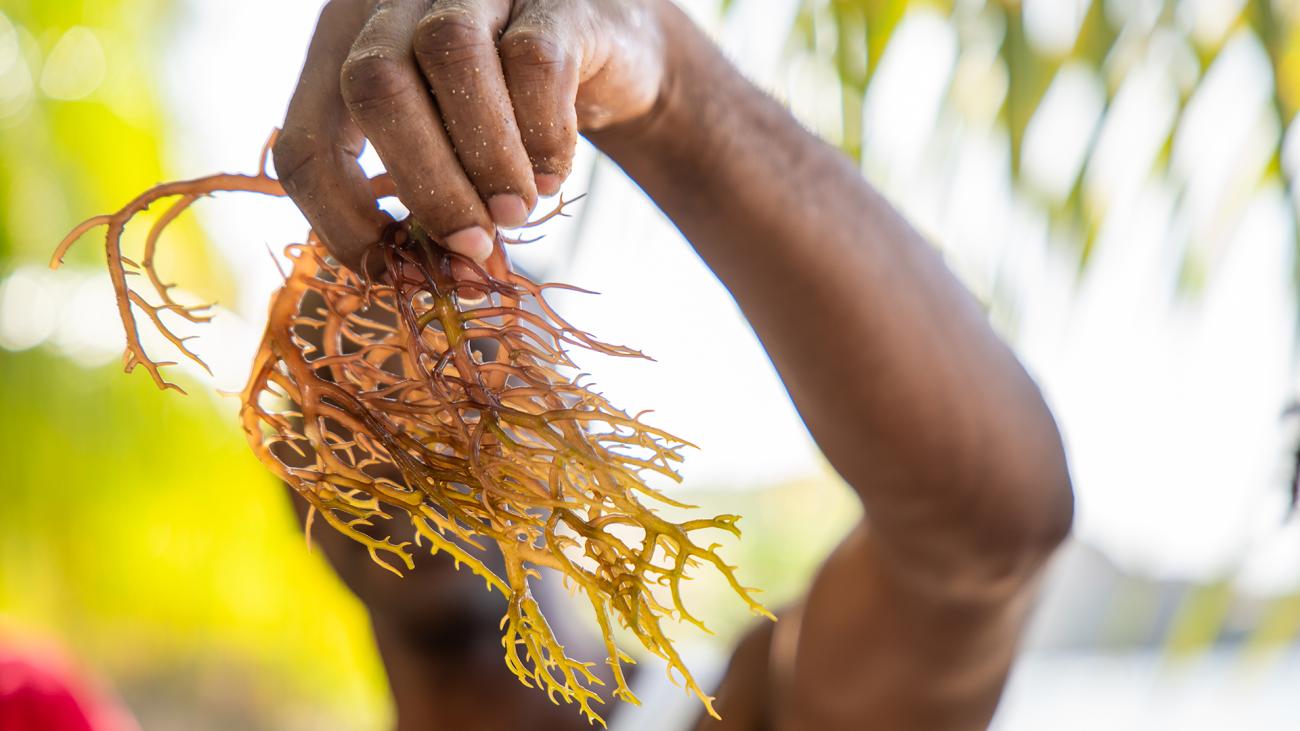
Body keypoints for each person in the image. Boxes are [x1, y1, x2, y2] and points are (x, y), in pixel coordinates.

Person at [271, 1, 1075, 729]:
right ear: (285, 468)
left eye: (473, 363)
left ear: (569, 417)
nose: (413, 424)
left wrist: (668, 91)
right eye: (346, 388)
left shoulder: (742, 712)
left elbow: (988, 532)